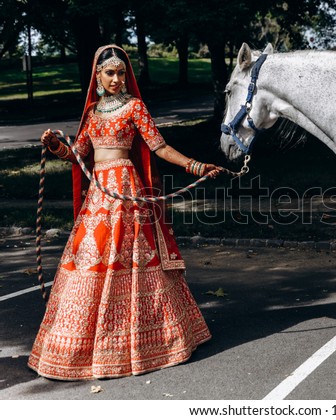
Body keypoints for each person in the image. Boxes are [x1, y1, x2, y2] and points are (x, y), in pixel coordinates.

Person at [29, 44, 221, 380]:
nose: (117, 79)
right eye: (110, 73)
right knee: (89, 256)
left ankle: (156, 341)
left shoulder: (135, 107)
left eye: (121, 72)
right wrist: (57, 146)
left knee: (131, 257)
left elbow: (158, 146)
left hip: (126, 191)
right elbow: (79, 156)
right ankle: (74, 347)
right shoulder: (92, 113)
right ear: (98, 76)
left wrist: (196, 166)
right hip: (98, 194)